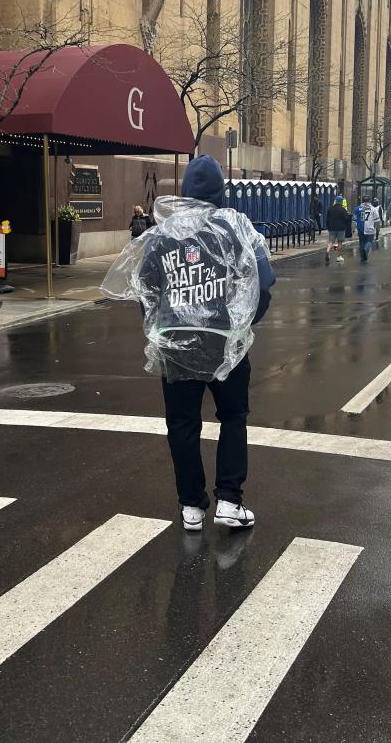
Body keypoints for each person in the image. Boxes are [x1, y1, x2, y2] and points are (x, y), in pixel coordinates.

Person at [101, 155, 273, 531]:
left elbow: (144, 291)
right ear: (220, 191)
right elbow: (262, 283)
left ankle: (191, 506)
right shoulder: (234, 228)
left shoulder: (163, 235)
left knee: (182, 424)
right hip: (224, 342)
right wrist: (243, 324)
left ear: (184, 192)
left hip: (176, 343)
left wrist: (159, 331)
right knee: (232, 418)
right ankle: (229, 499)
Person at [325, 196, 350, 263]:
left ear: (335, 201)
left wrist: (328, 227)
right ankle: (338, 257)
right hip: (340, 228)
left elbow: (327, 219)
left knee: (331, 241)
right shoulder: (343, 210)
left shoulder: (330, 209)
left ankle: (328, 250)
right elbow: (346, 219)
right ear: (341, 202)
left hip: (332, 228)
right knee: (340, 242)